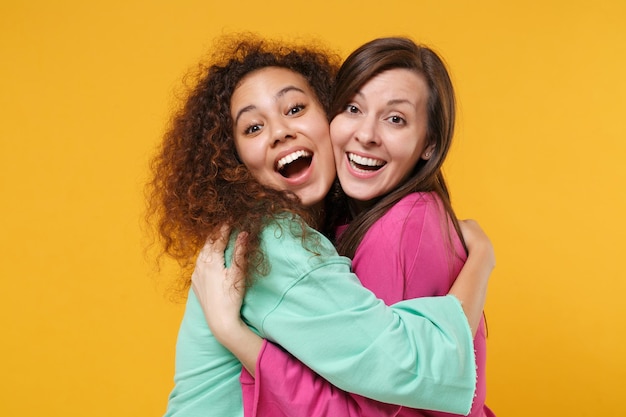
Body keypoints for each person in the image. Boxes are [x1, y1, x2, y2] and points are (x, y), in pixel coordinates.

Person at [147, 33, 495, 417]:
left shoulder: (315, 231)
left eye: (295, 109)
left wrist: (235, 335)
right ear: (234, 161)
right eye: (253, 128)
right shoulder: (274, 241)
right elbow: (419, 367)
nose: (280, 131)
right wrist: (481, 258)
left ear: (326, 116)